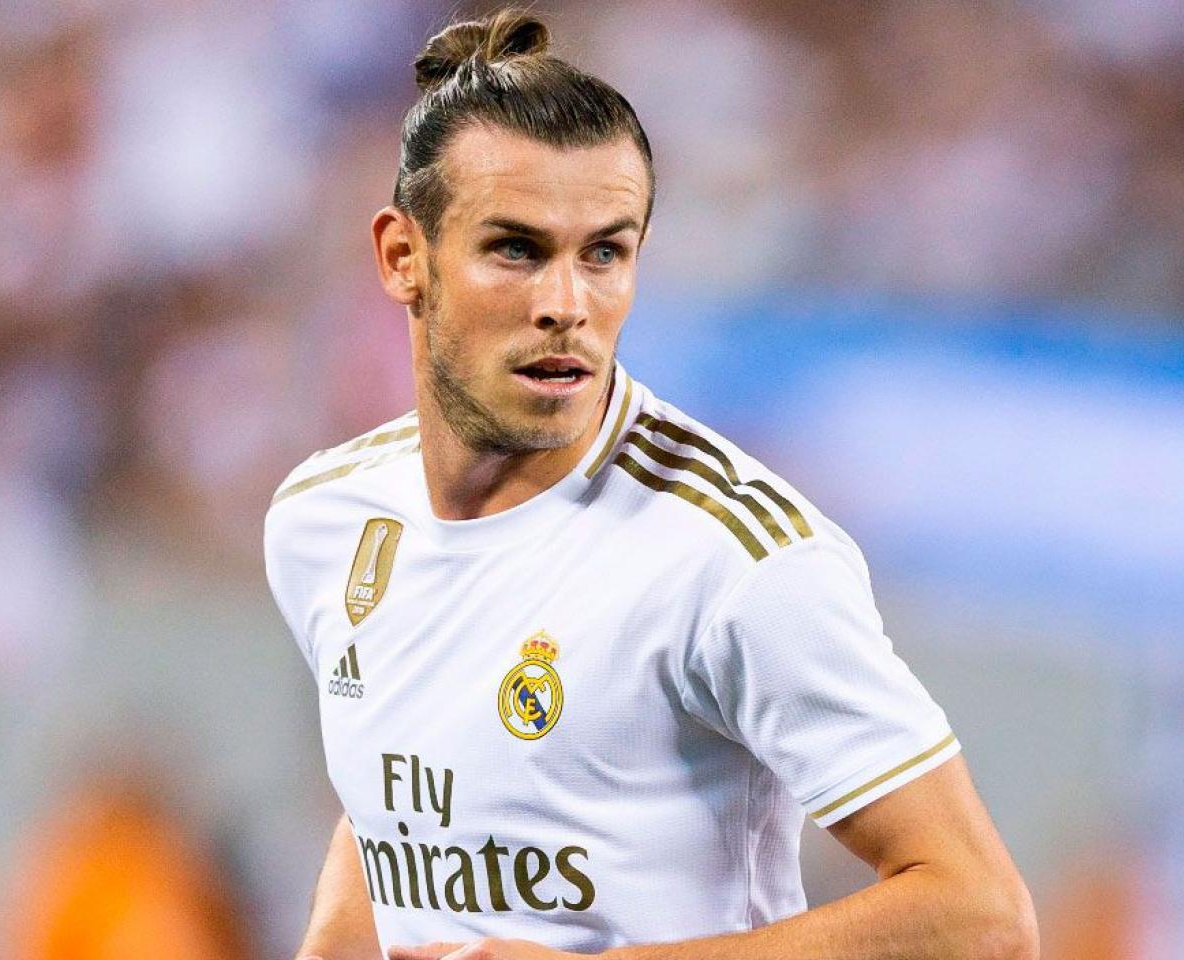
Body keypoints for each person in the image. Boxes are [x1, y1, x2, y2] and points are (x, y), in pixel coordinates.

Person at [263, 10, 1037, 960]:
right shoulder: (324, 521)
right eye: (516, 249)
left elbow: (981, 915)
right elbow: (387, 817)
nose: (566, 305)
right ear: (402, 258)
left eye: (604, 253)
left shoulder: (735, 560)